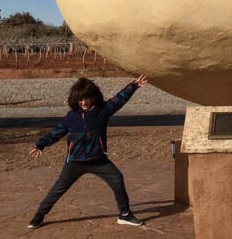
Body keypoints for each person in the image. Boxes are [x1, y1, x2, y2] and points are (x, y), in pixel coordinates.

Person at [27, 73, 148, 229]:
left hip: (98, 160)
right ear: (75, 99)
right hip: (75, 161)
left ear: (94, 97)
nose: (83, 102)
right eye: (80, 99)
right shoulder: (72, 117)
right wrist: (40, 144)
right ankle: (39, 215)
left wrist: (133, 86)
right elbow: (56, 132)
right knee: (58, 189)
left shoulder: (103, 111)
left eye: (87, 98)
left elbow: (119, 99)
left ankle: (125, 215)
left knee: (117, 179)